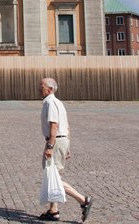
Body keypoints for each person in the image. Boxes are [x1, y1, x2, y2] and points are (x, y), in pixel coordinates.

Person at [37, 77, 93, 222]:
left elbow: (54, 125)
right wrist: (67, 146)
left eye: (41, 86)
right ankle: (53, 210)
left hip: (54, 141)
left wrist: (50, 146)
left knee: (52, 177)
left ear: (50, 89)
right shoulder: (59, 103)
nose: (39, 88)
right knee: (54, 175)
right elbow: (67, 126)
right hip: (62, 140)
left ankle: (83, 200)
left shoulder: (50, 102)